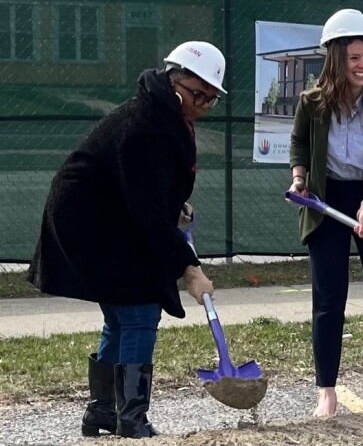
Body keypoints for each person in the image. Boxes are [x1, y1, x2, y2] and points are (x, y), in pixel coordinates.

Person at [27, 41, 221, 438]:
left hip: (105, 219)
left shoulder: (162, 115)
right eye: (199, 94)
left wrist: (174, 203)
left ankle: (102, 411)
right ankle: (131, 418)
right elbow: (145, 211)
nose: (203, 105)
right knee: (138, 311)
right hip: (91, 224)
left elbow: (146, 190)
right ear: (175, 80)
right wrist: (189, 267)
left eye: (211, 98)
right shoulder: (145, 127)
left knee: (119, 315)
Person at [288, 8, 363, 417]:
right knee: (328, 301)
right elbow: (299, 145)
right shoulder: (311, 103)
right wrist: (299, 178)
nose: (362, 66)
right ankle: (327, 392)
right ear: (336, 58)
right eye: (354, 57)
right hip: (325, 203)